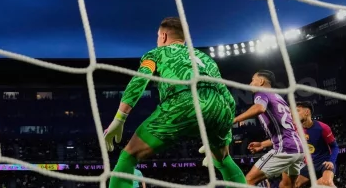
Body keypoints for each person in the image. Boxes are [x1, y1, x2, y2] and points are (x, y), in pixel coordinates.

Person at [102, 17, 246, 188]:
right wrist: (221, 137)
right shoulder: (206, 59)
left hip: (182, 102)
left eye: (157, 37)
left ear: (163, 36)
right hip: (220, 106)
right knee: (223, 160)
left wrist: (119, 119)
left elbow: (139, 80)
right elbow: (228, 97)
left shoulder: (155, 54)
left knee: (128, 157)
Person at [233, 70, 304, 186]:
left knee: (249, 180)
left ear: (261, 81)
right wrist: (262, 144)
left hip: (284, 148)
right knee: (287, 185)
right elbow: (284, 131)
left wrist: (235, 119)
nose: (250, 84)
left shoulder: (261, 93)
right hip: (298, 149)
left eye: (252, 80)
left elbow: (259, 108)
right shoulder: (279, 98)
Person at [250, 101, 338, 187]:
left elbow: (334, 147)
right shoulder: (294, 128)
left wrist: (331, 161)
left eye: (297, 111)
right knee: (294, 184)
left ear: (307, 112)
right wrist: (262, 144)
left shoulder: (323, 128)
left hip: (325, 161)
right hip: (310, 164)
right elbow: (282, 139)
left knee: (326, 182)